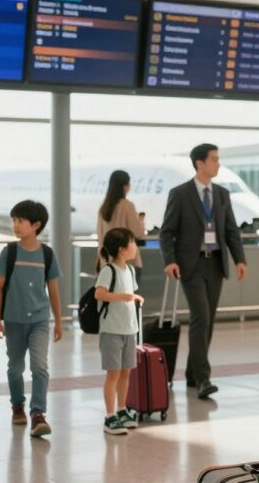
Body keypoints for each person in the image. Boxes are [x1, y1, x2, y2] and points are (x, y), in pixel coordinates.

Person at [159, 143, 248, 399]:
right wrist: (170, 260)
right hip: (192, 264)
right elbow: (167, 232)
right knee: (201, 317)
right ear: (200, 163)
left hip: (216, 263)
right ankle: (203, 378)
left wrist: (239, 259)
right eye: (214, 159)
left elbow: (231, 230)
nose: (218, 163)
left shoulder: (221, 194)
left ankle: (191, 374)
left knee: (208, 321)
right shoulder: (181, 193)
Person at [0, 200, 63, 438]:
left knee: (40, 367)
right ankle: (17, 405)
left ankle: (38, 413)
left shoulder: (47, 254)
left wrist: (59, 321)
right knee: (15, 368)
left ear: (36, 225)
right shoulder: (9, 251)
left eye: (20, 221)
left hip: (40, 320)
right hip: (13, 319)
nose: (15, 225)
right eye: (14, 220)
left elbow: (53, 290)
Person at [94, 227, 144, 435]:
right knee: (113, 374)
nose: (135, 247)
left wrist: (133, 298)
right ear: (122, 249)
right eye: (132, 243)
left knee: (126, 373)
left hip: (129, 329)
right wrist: (122, 297)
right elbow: (99, 294)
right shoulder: (109, 270)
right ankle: (109, 415)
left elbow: (130, 294)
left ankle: (122, 410)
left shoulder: (129, 270)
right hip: (112, 331)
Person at [96, 170, 146, 278]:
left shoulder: (103, 208)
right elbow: (138, 233)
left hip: (106, 262)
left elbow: (100, 237)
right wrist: (141, 220)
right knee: (129, 294)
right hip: (127, 263)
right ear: (125, 186)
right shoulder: (127, 206)